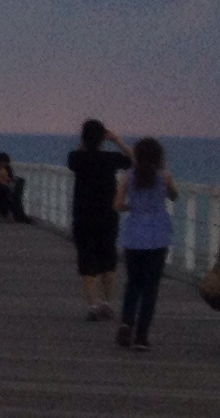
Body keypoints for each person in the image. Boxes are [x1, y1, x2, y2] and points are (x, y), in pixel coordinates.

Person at [66, 119, 131, 320]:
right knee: (108, 257)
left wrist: (86, 142)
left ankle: (92, 305)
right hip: (107, 215)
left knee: (86, 257)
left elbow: (77, 156)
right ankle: (107, 302)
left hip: (83, 214)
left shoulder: (76, 157)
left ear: (83, 137)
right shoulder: (110, 158)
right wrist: (117, 140)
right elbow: (135, 161)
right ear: (103, 136)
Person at [116, 138, 174, 349]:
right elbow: (174, 196)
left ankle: (126, 323)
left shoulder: (128, 177)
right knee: (151, 288)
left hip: (134, 236)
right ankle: (141, 336)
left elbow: (117, 204)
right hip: (158, 237)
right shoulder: (164, 177)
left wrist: (133, 208)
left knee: (133, 283)